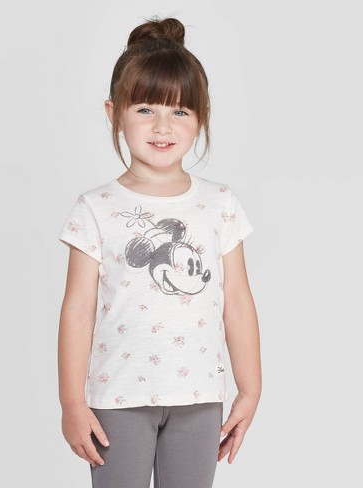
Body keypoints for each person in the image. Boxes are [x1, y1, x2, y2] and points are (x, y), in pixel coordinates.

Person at [57, 15, 261, 488]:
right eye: (146, 109)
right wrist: (71, 403)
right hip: (117, 399)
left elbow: (237, 302)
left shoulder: (220, 204)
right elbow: (77, 310)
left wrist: (250, 389)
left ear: (201, 117)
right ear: (114, 113)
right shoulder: (95, 208)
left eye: (180, 111)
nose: (163, 126)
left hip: (199, 397)